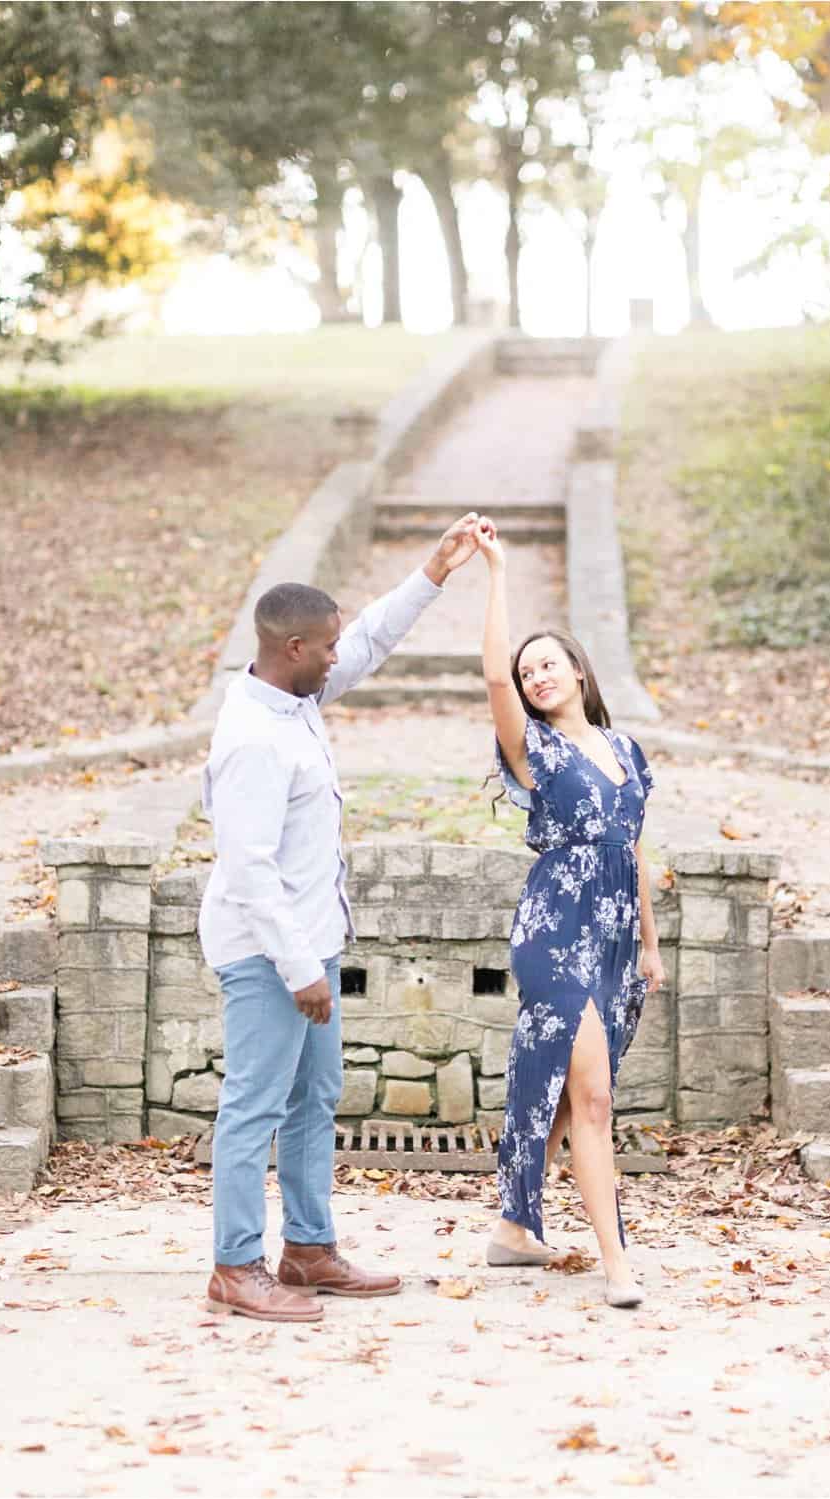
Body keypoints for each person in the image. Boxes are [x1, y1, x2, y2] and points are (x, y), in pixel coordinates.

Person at [199, 513, 482, 1321]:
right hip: (269, 956)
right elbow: (250, 873)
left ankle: (310, 1249)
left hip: (310, 949)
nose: (337, 654)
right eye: (323, 646)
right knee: (254, 1104)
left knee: (313, 1099)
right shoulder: (255, 738)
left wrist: (433, 572)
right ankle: (235, 1264)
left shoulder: (293, 699)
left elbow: (366, 643)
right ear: (293, 650)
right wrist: (301, 971)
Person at [475, 516, 665, 1308]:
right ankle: (617, 1266)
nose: (536, 676)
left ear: (579, 672)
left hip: (616, 941)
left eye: (548, 664)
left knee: (561, 1085)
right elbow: (490, 678)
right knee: (591, 1095)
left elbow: (635, 851)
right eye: (527, 673)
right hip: (553, 933)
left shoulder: (626, 755)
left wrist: (650, 947)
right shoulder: (535, 753)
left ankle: (515, 1228)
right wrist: (495, 574)